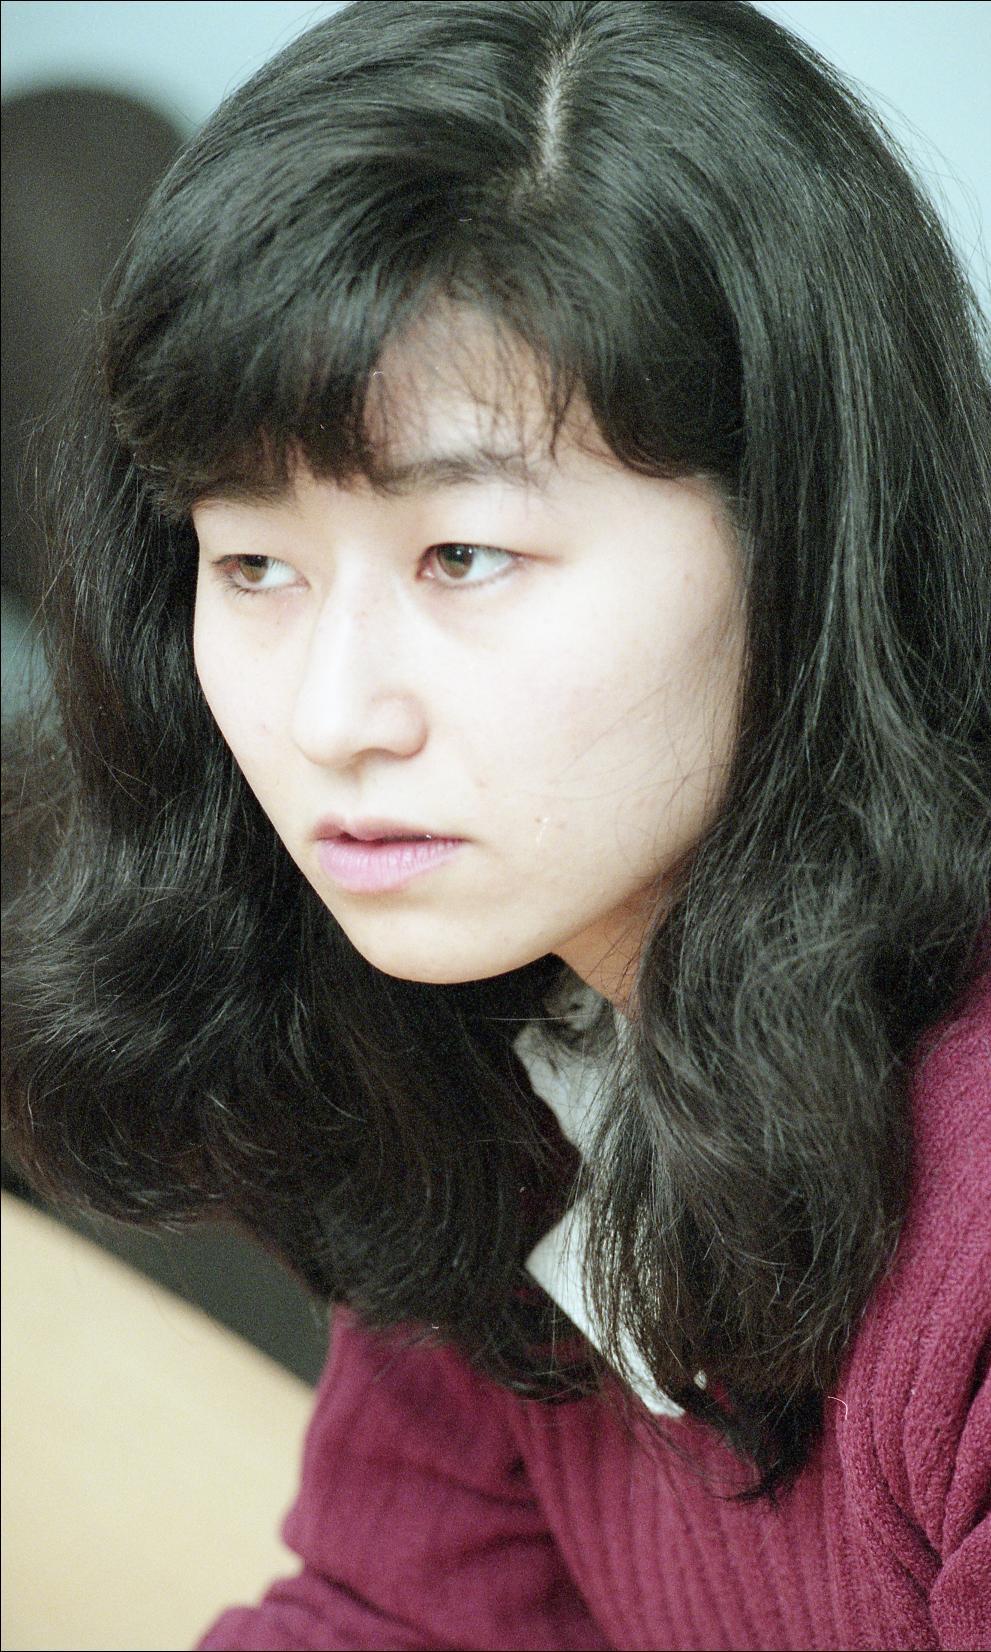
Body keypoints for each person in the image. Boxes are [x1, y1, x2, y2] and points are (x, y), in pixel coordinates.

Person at [2, 3, 988, 1647]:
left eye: (464, 556)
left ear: (806, 537)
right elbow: (398, 1614)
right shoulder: (492, 1037)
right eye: (253, 563)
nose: (332, 717)